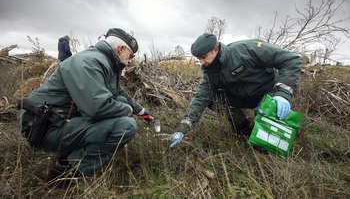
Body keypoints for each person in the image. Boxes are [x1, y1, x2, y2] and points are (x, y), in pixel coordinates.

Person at [17, 28, 152, 183]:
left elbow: (120, 94)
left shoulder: (105, 62)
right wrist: (127, 110)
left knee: (120, 105)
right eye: (131, 56)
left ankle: (71, 152)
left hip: (61, 121)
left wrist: (141, 111)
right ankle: (66, 171)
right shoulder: (88, 62)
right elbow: (96, 109)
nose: (130, 61)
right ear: (120, 49)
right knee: (125, 126)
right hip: (46, 128)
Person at [166, 33, 302, 147]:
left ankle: (273, 145)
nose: (201, 63)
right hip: (244, 97)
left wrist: (283, 94)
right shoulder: (210, 73)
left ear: (215, 49)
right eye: (199, 59)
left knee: (265, 144)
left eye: (203, 57)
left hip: (268, 92)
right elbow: (200, 98)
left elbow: (291, 60)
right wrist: (182, 130)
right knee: (211, 99)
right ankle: (244, 129)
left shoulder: (246, 49)